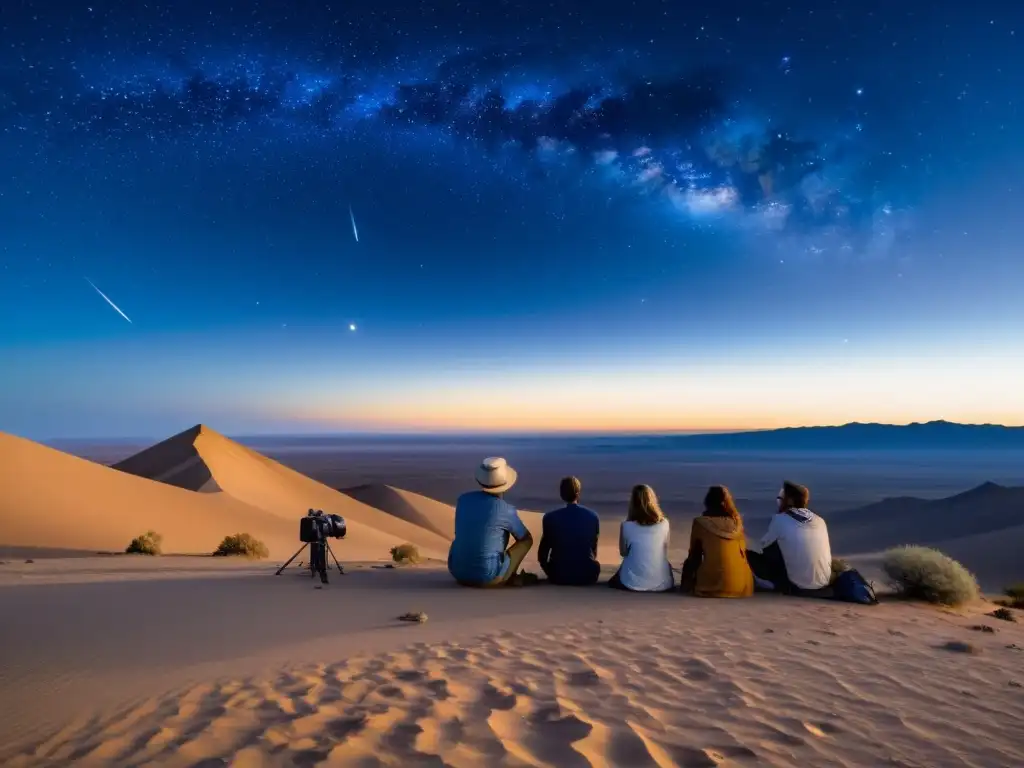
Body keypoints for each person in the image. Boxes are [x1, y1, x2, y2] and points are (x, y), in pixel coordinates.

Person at [447, 457, 534, 587]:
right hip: (487, 576)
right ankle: (508, 575)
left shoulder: (463, 500)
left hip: (457, 572)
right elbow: (523, 536)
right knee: (527, 540)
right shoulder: (506, 510)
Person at [747, 481, 832, 594]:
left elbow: (765, 545)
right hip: (823, 583)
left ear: (790, 500)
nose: (779, 500)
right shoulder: (820, 520)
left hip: (796, 585)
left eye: (782, 497)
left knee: (747, 555)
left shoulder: (780, 519)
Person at [679, 486, 754, 598]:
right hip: (741, 586)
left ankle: (686, 588)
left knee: (689, 562)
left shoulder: (700, 522)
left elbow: (695, 556)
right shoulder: (737, 523)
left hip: (712, 586)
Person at [608, 484, 675, 592]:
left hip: (631, 583)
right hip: (662, 584)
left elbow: (623, 552)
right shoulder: (664, 523)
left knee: (620, 571)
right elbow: (664, 550)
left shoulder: (626, 525)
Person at [538, 476, 601, 586]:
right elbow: (593, 549)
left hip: (558, 575)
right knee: (595, 564)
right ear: (578, 493)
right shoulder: (593, 516)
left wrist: (550, 571)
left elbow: (542, 554)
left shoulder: (550, 517)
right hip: (586, 575)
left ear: (561, 494)